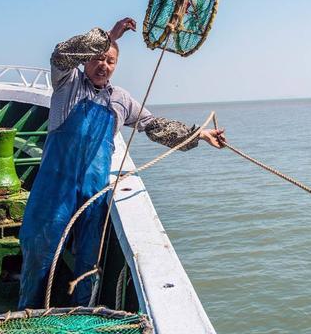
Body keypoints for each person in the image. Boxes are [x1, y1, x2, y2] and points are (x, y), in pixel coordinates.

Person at [18, 17, 225, 309]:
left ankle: (82, 317)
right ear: (87, 59)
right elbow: (60, 54)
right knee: (39, 254)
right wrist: (109, 36)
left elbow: (154, 125)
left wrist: (200, 135)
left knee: (89, 264)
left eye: (111, 60)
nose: (104, 65)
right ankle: (28, 315)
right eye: (99, 58)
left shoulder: (121, 99)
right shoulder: (67, 83)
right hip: (54, 190)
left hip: (94, 194)